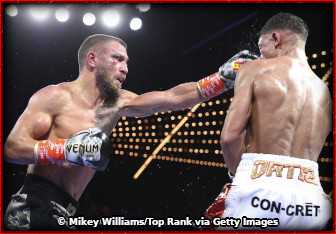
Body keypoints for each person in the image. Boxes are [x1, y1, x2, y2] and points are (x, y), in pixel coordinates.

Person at [4, 34, 258, 230]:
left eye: (127, 62)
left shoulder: (118, 103)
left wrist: (220, 80)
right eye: (117, 59)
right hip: (33, 203)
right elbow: (13, 148)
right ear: (92, 60)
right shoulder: (55, 96)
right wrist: (66, 149)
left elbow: (171, 98)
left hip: (67, 210)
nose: (125, 68)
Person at [202, 13, 332, 231]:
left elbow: (230, 137)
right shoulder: (325, 92)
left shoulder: (255, 69)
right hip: (312, 199)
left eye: (262, 49)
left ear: (275, 38)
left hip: (257, 188)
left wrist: (240, 176)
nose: (261, 56)